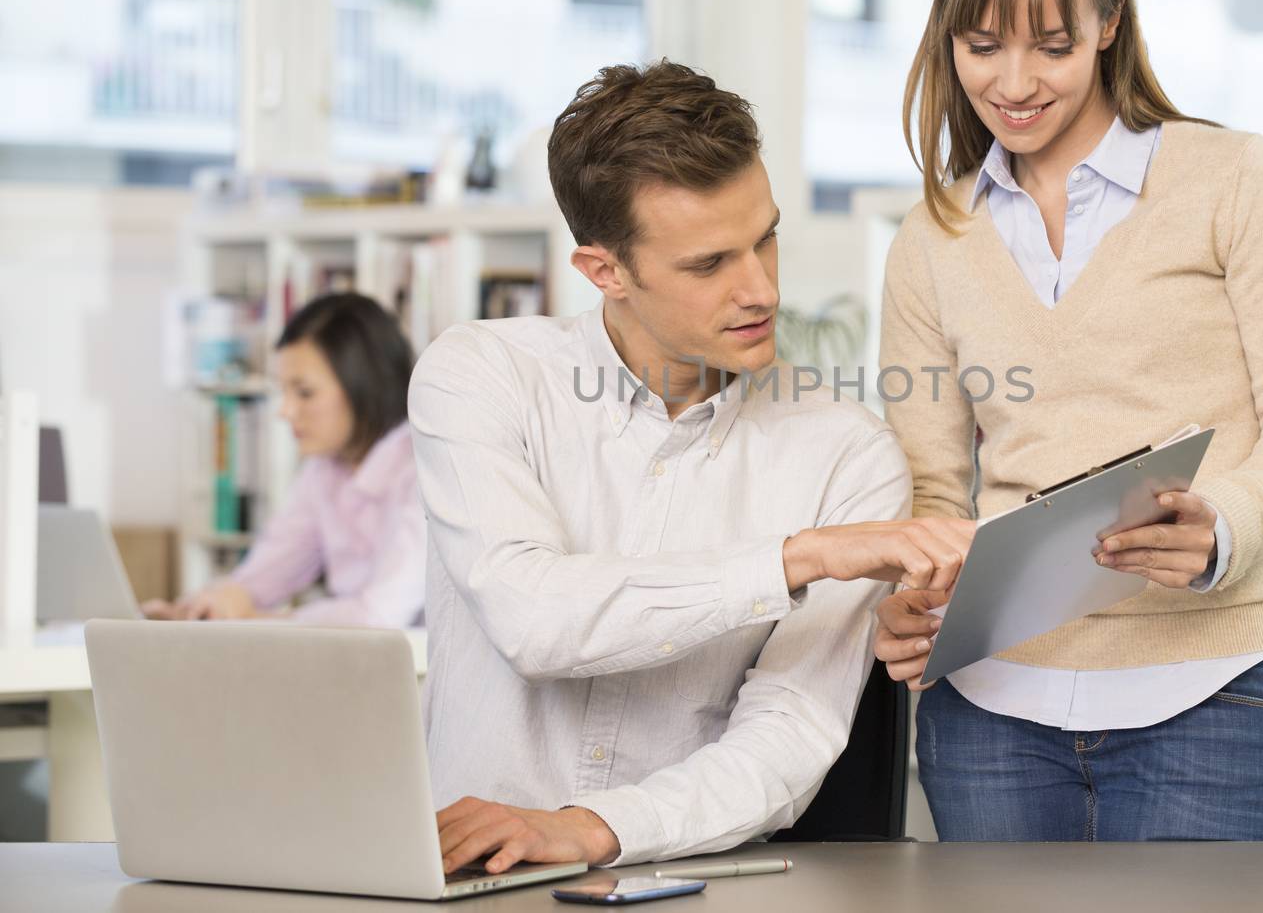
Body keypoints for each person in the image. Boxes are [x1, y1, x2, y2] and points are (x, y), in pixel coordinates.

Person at [872, 0, 1263, 842]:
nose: (1013, 81)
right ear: (945, 37)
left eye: (1050, 45)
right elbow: (932, 487)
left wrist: (1220, 523)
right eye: (981, 44)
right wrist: (911, 598)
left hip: (1202, 693)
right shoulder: (928, 239)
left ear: (1108, 22)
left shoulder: (1235, 181)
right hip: (988, 710)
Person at [409, 61, 975, 873]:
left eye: (766, 239)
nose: (762, 290)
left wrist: (597, 826)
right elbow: (533, 617)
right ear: (604, 271)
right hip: (462, 876)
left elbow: (790, 735)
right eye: (709, 264)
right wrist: (796, 558)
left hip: (683, 880)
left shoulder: (846, 451)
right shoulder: (481, 376)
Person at [144, 292, 424, 627]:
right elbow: (267, 570)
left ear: (364, 386)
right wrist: (205, 608)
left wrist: (258, 620)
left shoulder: (424, 472)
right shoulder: (323, 471)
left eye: (304, 392)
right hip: (357, 662)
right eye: (284, 392)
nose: (285, 411)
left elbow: (380, 616)